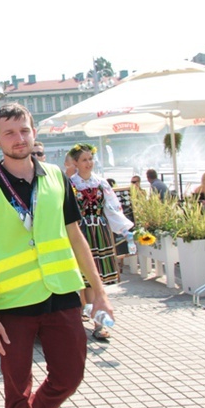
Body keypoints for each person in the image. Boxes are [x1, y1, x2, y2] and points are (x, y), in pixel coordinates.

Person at [0, 103, 115, 408]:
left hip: (61, 294)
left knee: (70, 376)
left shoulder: (58, 178)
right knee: (16, 388)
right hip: (12, 303)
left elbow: (77, 238)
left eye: (24, 130)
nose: (19, 138)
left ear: (34, 132)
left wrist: (99, 294)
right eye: (9, 133)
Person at [68, 143, 134, 341]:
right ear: (75, 163)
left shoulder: (101, 183)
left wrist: (126, 230)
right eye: (84, 160)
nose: (89, 163)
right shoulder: (70, 184)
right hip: (81, 233)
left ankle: (98, 321)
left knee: (97, 279)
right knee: (85, 280)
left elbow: (113, 208)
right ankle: (95, 320)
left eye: (90, 159)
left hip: (100, 231)